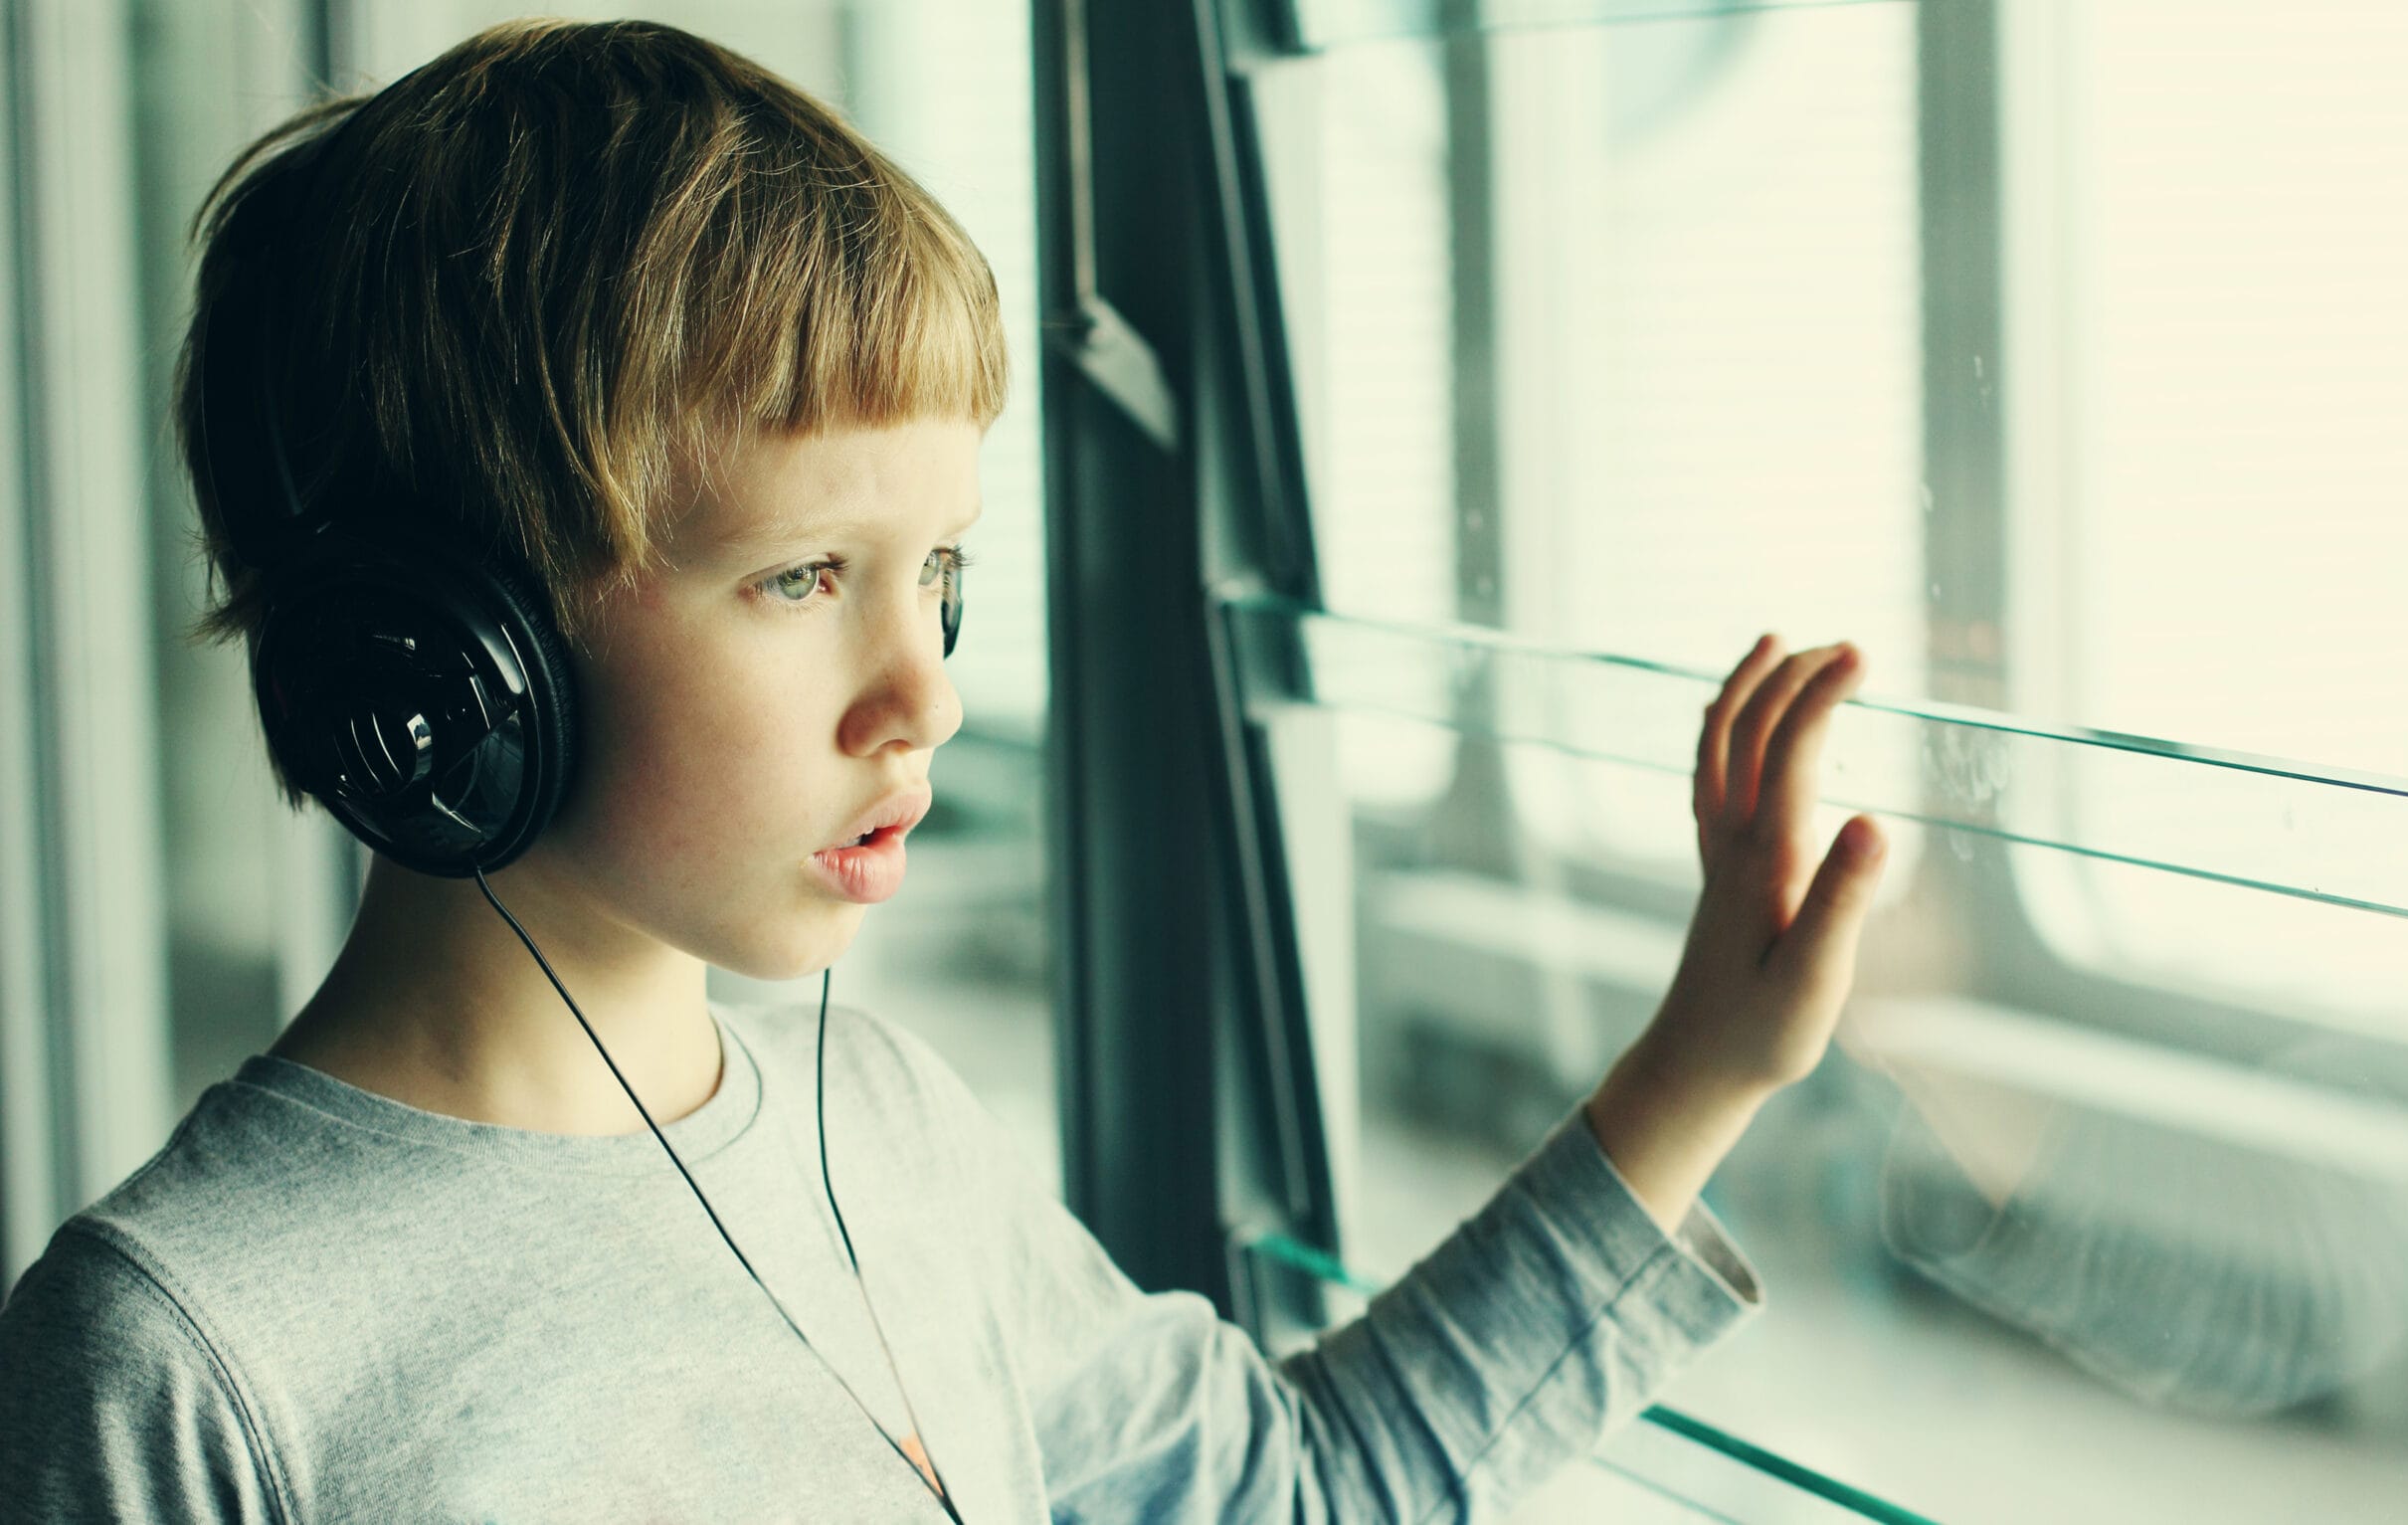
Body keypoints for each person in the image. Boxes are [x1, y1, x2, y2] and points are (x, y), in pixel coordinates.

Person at [0, 20, 1889, 1521]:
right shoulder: (181, 1356)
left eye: (944, 575)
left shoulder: (891, 1130)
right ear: (448, 651)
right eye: (805, 576)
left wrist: (1700, 1068)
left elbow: (1298, 1489)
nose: (928, 694)